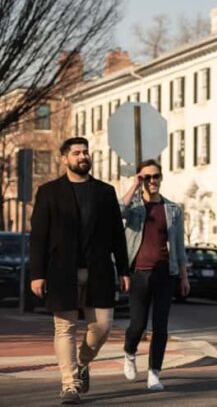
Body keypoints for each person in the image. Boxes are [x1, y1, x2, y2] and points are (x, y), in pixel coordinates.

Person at [29, 137, 130, 405]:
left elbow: (117, 235)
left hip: (98, 271)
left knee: (103, 326)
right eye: (76, 153)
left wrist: (124, 269)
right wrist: (37, 273)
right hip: (62, 271)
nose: (83, 156)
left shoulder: (105, 192)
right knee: (65, 329)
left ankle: (83, 362)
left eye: (85, 152)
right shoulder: (49, 192)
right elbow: (38, 236)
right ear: (65, 159)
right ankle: (69, 384)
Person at [119, 159, 190, 392]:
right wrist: (134, 185)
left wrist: (183, 276)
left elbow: (178, 246)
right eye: (146, 177)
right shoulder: (136, 207)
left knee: (161, 327)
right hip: (139, 273)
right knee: (137, 325)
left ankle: (154, 373)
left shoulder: (172, 210)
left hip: (164, 273)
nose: (152, 181)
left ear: (161, 178)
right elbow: (119, 210)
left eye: (155, 176)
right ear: (141, 179)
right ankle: (129, 353)